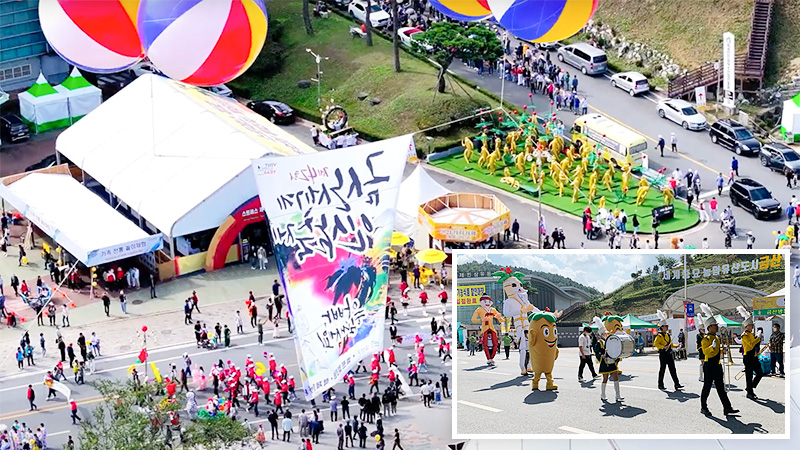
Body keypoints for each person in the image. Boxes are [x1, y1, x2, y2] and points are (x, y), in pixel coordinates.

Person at [700, 316, 739, 416]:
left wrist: (722, 351)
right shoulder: (706, 339)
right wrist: (711, 347)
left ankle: (727, 408)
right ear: (709, 327)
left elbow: (716, 351)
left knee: (721, 388)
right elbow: (705, 351)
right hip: (709, 366)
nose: (717, 327)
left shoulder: (716, 337)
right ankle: (703, 407)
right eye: (714, 326)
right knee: (707, 387)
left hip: (717, 365)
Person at [593, 321, 623, 402]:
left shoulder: (611, 340)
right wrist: (601, 355)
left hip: (612, 362)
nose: (606, 335)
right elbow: (596, 351)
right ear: (601, 335)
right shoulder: (599, 342)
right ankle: (603, 395)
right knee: (605, 379)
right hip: (604, 362)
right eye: (605, 334)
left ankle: (618, 395)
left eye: (607, 333)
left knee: (616, 378)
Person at [653, 321, 683, 390]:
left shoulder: (668, 335)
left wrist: (677, 346)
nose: (667, 327)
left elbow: (671, 344)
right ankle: (660, 384)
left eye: (667, 326)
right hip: (663, 354)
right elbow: (655, 344)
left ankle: (677, 384)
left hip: (669, 354)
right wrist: (663, 347)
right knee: (662, 369)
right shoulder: (659, 336)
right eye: (665, 326)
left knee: (673, 369)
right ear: (661, 327)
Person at [740, 314, 763, 399]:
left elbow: (754, 344)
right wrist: (758, 338)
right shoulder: (744, 335)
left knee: (760, 373)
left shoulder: (751, 334)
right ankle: (750, 393)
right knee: (749, 376)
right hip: (748, 356)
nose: (752, 326)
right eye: (751, 325)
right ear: (747, 326)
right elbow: (750, 345)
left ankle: (750, 387)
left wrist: (758, 338)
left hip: (753, 356)